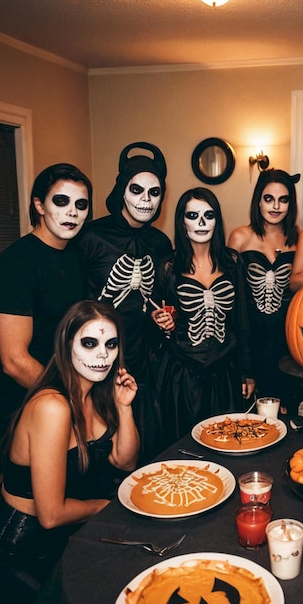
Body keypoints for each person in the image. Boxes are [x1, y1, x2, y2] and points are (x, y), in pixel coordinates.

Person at [0, 300, 139, 604]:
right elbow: (50, 515)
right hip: (19, 551)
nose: (102, 354)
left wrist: (124, 408)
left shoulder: (96, 395)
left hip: (65, 538)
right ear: (66, 344)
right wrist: (107, 507)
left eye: (111, 344)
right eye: (89, 343)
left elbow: (125, 462)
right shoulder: (53, 407)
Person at [74, 142, 172, 462]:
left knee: (144, 446)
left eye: (154, 192)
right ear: (122, 191)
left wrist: (163, 323)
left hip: (144, 360)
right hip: (97, 359)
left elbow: (157, 304)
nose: (146, 199)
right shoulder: (90, 236)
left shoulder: (160, 242)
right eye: (137, 189)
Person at [0, 163, 92, 476]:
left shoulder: (76, 255)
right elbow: (13, 360)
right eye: (60, 202)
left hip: (65, 392)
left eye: (80, 204)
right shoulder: (16, 263)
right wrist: (69, 398)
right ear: (39, 205)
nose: (71, 213)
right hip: (24, 402)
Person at [151, 188, 255, 444]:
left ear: (217, 220)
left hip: (225, 374)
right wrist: (161, 323)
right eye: (193, 215)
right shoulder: (168, 267)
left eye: (208, 215)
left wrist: (248, 372)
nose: (200, 222)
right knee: (184, 448)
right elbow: (156, 324)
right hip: (181, 376)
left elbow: (242, 321)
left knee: (228, 444)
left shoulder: (232, 263)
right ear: (182, 221)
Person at [227, 169, 300, 408]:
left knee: (288, 415)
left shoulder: (298, 238)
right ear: (258, 200)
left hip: (287, 342)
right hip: (250, 338)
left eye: (283, 199)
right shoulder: (240, 237)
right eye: (269, 198)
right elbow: (230, 299)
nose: (276, 206)